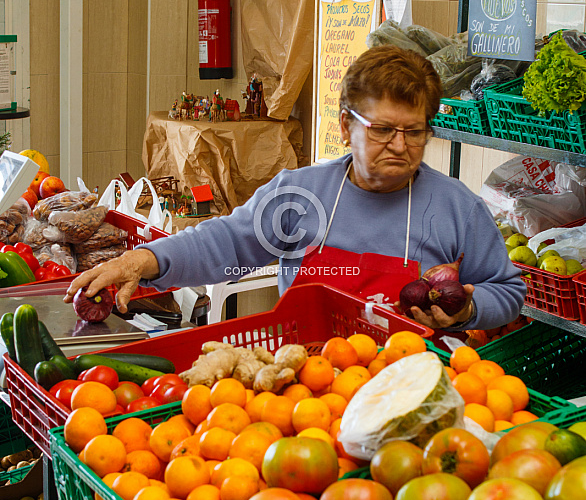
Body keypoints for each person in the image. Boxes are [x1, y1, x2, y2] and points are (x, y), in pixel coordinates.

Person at [65, 46, 525, 330]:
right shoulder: (300, 195)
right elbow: (226, 242)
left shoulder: (457, 208)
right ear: (347, 125)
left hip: (409, 396)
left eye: (415, 131)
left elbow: (506, 290)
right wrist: (144, 260)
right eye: (383, 129)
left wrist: (466, 312)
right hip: (303, 389)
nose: (400, 146)